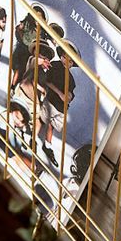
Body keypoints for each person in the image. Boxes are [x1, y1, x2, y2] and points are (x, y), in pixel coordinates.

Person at [39, 39, 81, 168]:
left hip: (61, 108)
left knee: (52, 125)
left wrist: (69, 96)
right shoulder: (55, 65)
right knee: (41, 119)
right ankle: (33, 139)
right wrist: (59, 94)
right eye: (65, 57)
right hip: (50, 100)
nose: (67, 62)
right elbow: (47, 81)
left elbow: (70, 93)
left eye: (71, 61)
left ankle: (47, 146)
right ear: (62, 56)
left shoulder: (71, 80)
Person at [10, 3, 49, 88]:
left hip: (30, 54)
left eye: (40, 17)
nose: (38, 20)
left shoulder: (42, 33)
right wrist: (21, 39)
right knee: (18, 69)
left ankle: (17, 87)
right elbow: (18, 29)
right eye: (36, 17)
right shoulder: (28, 24)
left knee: (25, 72)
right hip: (22, 49)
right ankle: (12, 87)